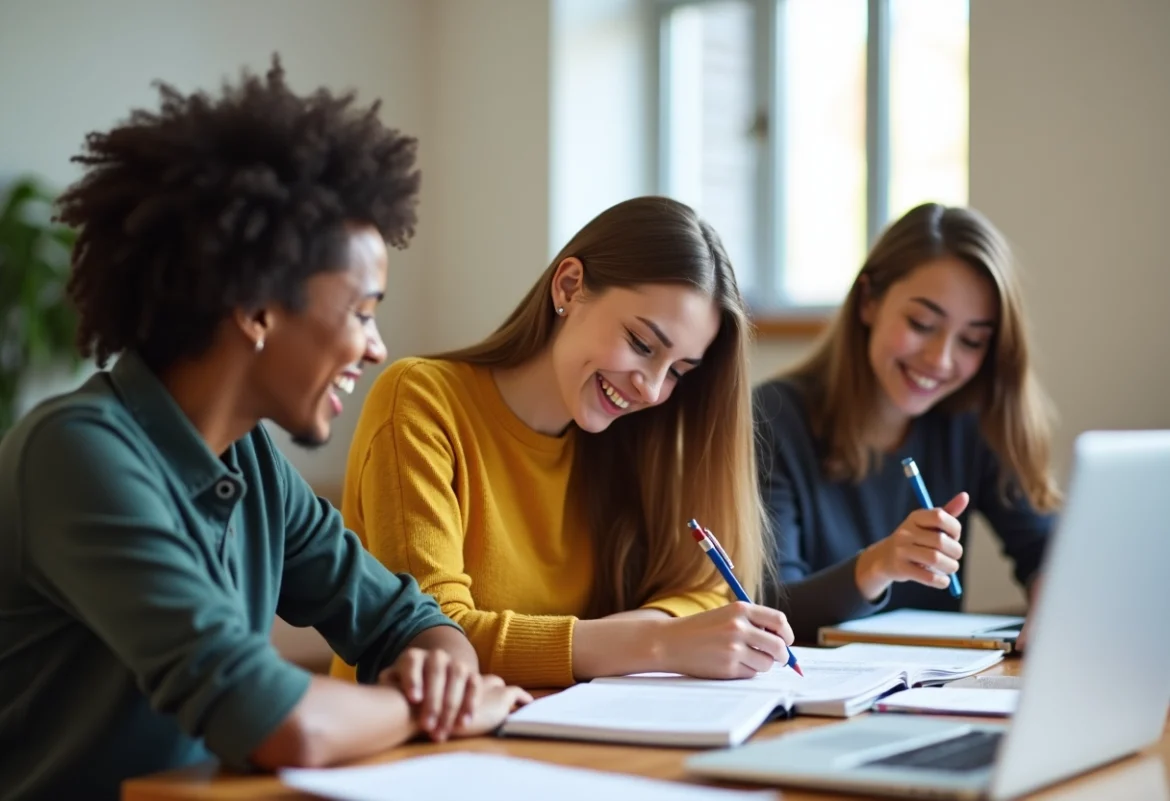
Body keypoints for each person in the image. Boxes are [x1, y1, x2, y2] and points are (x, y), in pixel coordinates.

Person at [0, 58, 528, 801]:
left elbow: (407, 619)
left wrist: (442, 670)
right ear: (255, 310)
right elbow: (282, 724)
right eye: (363, 311)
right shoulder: (76, 453)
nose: (377, 348)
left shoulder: (248, 459)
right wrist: (433, 706)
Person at [330, 196, 794, 689]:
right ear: (569, 287)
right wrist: (659, 643)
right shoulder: (421, 400)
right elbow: (431, 638)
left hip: (549, 736)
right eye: (641, 344)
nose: (652, 389)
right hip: (402, 747)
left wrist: (653, 636)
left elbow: (702, 592)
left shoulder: (632, 437)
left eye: (678, 371)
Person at [754, 202, 1061, 644]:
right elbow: (771, 610)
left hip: (939, 688)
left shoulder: (972, 420)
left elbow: (1046, 549)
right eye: (921, 323)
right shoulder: (774, 418)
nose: (940, 359)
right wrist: (877, 565)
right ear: (868, 302)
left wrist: (1052, 600)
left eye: (972, 340)